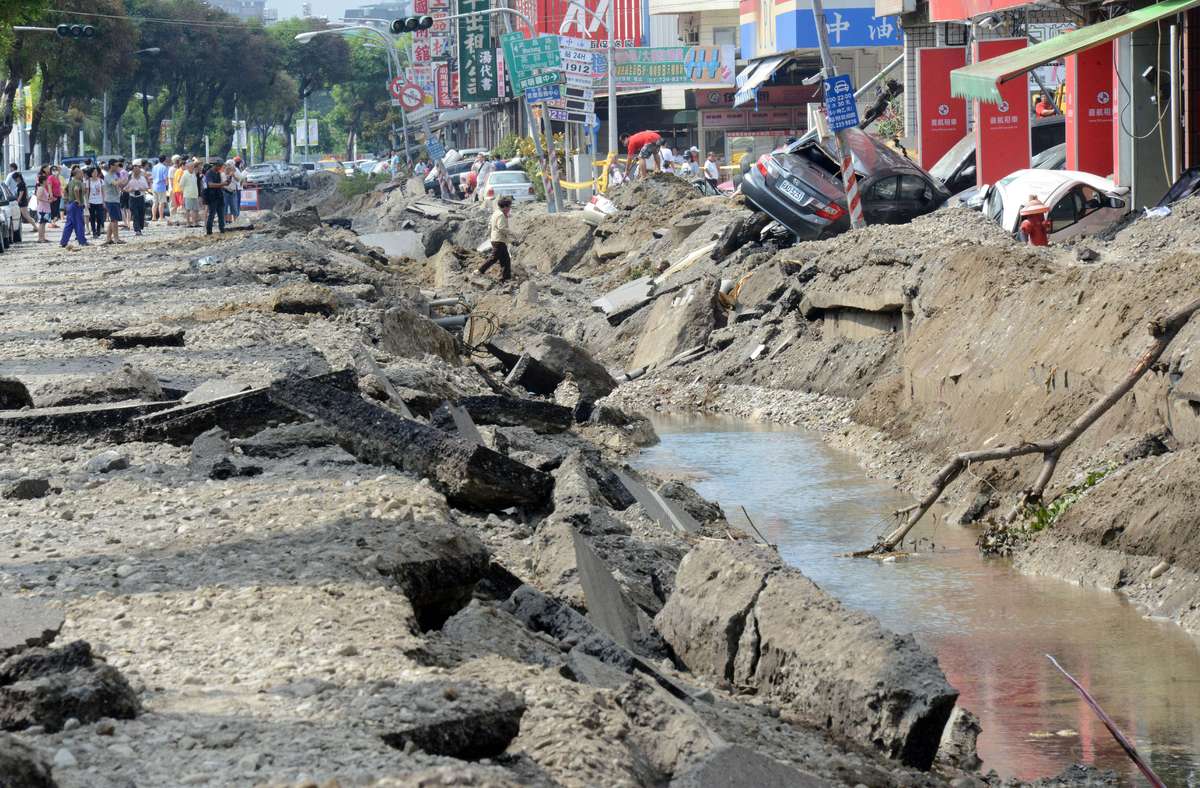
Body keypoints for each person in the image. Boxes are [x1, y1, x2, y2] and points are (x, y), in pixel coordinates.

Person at [479, 195, 514, 282]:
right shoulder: (501, 215)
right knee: (494, 258)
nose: (510, 208)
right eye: (509, 206)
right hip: (499, 240)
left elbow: (490, 225)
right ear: (505, 207)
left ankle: (506, 278)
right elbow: (501, 228)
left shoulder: (496, 213)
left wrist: (490, 235)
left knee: (505, 259)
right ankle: (479, 270)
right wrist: (513, 234)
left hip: (496, 239)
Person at [59, 165, 88, 249]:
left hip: (70, 204)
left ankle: (63, 242)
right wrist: (78, 200)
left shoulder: (71, 182)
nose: (82, 174)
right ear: (76, 174)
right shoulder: (77, 182)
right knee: (79, 223)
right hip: (76, 205)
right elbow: (76, 190)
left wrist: (66, 200)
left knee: (69, 224)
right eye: (81, 173)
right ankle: (82, 241)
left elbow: (65, 190)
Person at [123, 162, 150, 236]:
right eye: (134, 169)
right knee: (135, 214)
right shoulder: (129, 178)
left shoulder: (142, 178)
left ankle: (140, 227)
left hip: (141, 197)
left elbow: (147, 187)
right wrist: (130, 190)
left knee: (141, 213)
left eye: (138, 170)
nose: (136, 171)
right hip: (132, 198)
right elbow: (124, 189)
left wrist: (141, 188)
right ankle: (137, 230)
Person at [102, 159, 124, 245]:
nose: (117, 167)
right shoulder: (108, 176)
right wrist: (121, 178)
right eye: (116, 165)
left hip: (116, 199)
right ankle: (116, 239)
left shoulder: (115, 174)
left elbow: (120, 184)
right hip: (110, 200)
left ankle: (108, 239)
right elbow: (115, 183)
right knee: (114, 220)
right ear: (111, 166)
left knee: (113, 220)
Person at [204, 160, 228, 235]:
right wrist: (222, 184)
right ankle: (209, 231)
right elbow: (210, 184)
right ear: (216, 166)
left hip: (219, 195)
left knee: (221, 214)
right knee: (212, 214)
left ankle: (222, 229)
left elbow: (220, 184)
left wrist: (225, 184)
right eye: (220, 166)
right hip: (212, 196)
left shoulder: (218, 173)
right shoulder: (209, 173)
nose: (220, 168)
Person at [86, 166, 106, 239]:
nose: (95, 173)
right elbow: (87, 193)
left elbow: (103, 192)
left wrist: (104, 201)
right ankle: (94, 231)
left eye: (96, 172)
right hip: (91, 201)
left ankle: (98, 230)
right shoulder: (88, 181)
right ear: (91, 173)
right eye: (94, 172)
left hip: (100, 201)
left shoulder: (101, 181)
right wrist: (87, 202)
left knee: (100, 216)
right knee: (92, 217)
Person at [180, 160, 200, 227]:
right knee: (188, 209)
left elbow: (198, 164)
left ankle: (195, 223)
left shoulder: (194, 173)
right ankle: (188, 223)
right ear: (188, 167)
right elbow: (181, 185)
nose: (193, 168)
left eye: (193, 166)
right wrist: (183, 194)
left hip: (195, 194)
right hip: (188, 194)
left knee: (195, 209)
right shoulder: (185, 175)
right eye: (191, 167)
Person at [151, 155, 170, 222]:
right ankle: (161, 217)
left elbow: (152, 177)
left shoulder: (154, 167)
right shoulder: (164, 167)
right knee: (161, 202)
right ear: (164, 160)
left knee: (155, 202)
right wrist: (167, 185)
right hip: (161, 186)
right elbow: (165, 178)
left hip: (154, 186)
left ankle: (153, 217)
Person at [223, 158, 242, 224]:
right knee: (224, 207)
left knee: (234, 208)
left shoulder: (236, 170)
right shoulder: (223, 171)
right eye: (228, 165)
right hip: (225, 191)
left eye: (230, 165)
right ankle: (225, 222)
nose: (229, 166)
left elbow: (239, 179)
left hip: (233, 191)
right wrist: (228, 174)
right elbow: (224, 180)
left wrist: (233, 174)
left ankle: (236, 222)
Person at [34, 172, 51, 243]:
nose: (47, 182)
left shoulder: (43, 188)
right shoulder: (41, 188)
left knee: (43, 224)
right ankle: (40, 238)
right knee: (41, 224)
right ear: (44, 181)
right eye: (46, 180)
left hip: (45, 208)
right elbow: (39, 198)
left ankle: (43, 237)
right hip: (42, 209)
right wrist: (47, 201)